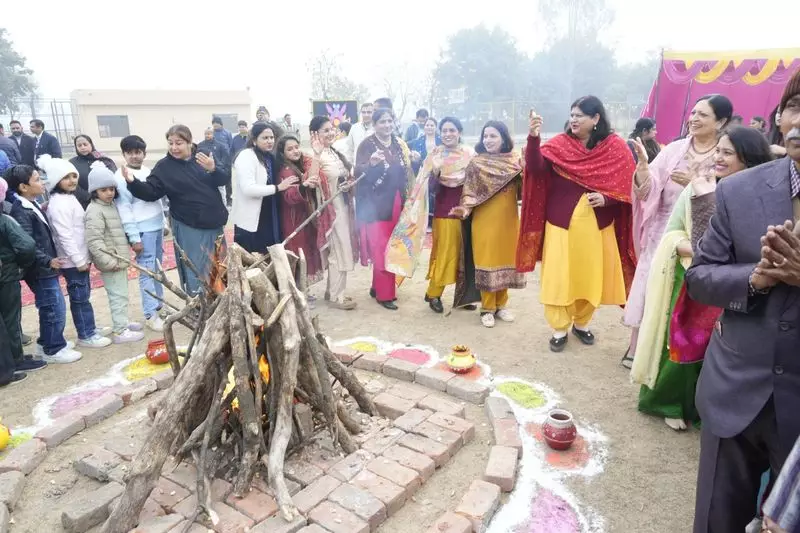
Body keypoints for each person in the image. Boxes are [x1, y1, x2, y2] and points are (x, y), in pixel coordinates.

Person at [686, 70, 800, 533]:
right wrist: (755, 277)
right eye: (795, 105)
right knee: (718, 520)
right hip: (735, 388)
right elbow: (700, 278)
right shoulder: (741, 189)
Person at [631, 126, 774, 431]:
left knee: (721, 352)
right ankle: (670, 402)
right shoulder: (699, 188)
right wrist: (690, 249)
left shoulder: (763, 195)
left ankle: (708, 409)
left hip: (742, 283)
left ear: (748, 159)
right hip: (693, 277)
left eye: (727, 153)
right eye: (717, 151)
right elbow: (674, 233)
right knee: (684, 344)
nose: (718, 158)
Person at [622, 94, 733, 368]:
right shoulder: (674, 150)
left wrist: (693, 186)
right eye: (693, 113)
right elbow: (648, 190)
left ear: (721, 121)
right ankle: (638, 348)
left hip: (702, 236)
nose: (694, 119)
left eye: (703, 115)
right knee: (651, 286)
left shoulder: (725, 154)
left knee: (683, 290)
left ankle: (676, 355)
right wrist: (643, 171)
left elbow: (731, 196)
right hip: (662, 229)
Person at [518, 98, 636, 349]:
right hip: (560, 225)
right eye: (572, 114)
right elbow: (536, 168)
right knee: (559, 278)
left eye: (581, 115)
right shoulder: (560, 144)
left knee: (589, 277)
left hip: (597, 226)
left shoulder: (614, 147)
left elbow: (627, 185)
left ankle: (582, 323)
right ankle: (559, 328)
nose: (574, 119)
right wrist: (533, 137)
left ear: (596, 119)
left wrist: (607, 199)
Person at [124, 125, 229, 296]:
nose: (174, 147)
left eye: (178, 143)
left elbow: (223, 179)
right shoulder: (165, 167)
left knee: (220, 264)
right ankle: (200, 305)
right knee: (197, 267)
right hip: (189, 224)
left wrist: (213, 168)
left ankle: (223, 300)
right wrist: (132, 182)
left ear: (189, 142)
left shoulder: (202, 157)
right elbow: (151, 191)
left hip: (214, 222)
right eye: (170, 143)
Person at [448, 120, 525, 327]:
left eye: (493, 136)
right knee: (487, 262)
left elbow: (523, 192)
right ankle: (487, 308)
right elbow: (470, 193)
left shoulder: (515, 161)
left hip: (509, 220)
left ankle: (501, 305)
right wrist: (463, 209)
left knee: (506, 261)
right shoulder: (477, 163)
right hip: (484, 221)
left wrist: (526, 171)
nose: (488, 140)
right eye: (485, 136)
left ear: (504, 138)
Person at [6, 165, 82, 364]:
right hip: (39, 269)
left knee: (52, 304)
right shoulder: (20, 210)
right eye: (37, 180)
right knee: (53, 307)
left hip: (44, 266)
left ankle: (46, 341)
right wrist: (47, 260)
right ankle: (53, 348)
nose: (43, 183)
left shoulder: (33, 203)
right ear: (23, 187)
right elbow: (27, 243)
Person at [39, 156, 112, 349]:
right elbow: (65, 236)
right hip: (73, 261)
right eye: (66, 177)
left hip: (80, 257)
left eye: (74, 176)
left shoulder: (68, 198)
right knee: (79, 298)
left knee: (84, 296)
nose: (72, 180)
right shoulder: (59, 204)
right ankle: (86, 334)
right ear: (56, 180)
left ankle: (90, 328)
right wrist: (79, 259)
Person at [355, 108, 415, 310]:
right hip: (376, 206)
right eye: (382, 122)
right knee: (381, 249)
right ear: (374, 124)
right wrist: (370, 165)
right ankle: (385, 294)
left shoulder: (399, 144)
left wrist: (413, 160)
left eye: (390, 121)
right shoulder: (366, 145)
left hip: (397, 201)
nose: (387, 125)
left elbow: (406, 170)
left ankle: (376, 286)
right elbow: (357, 173)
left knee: (393, 245)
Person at [85, 165, 145, 344]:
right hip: (111, 262)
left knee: (122, 293)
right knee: (117, 295)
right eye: (103, 190)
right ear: (94, 191)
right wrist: (109, 262)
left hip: (118, 259)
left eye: (111, 189)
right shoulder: (95, 210)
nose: (109, 193)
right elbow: (94, 241)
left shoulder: (109, 206)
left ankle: (123, 322)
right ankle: (120, 331)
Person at [421, 117, 474, 313]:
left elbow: (476, 184)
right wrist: (435, 172)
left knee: (465, 255)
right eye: (444, 130)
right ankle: (434, 293)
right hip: (445, 213)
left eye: (452, 130)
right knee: (446, 254)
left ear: (459, 132)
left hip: (468, 213)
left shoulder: (469, 154)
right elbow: (430, 190)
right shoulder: (435, 155)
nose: (447, 134)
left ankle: (462, 296)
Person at [115, 135, 166, 332]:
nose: (135, 156)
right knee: (147, 272)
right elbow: (124, 209)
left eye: (138, 152)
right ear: (124, 154)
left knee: (158, 269)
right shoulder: (120, 177)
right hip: (142, 230)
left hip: (156, 226)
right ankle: (150, 314)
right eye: (130, 153)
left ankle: (159, 305)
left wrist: (163, 222)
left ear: (144, 153)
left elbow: (156, 200)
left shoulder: (147, 171)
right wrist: (134, 237)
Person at [308, 116, 359, 310]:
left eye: (331, 129)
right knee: (339, 251)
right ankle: (337, 297)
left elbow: (342, 178)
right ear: (315, 134)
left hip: (343, 207)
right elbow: (312, 180)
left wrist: (349, 184)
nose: (330, 133)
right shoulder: (315, 156)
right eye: (325, 130)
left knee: (341, 250)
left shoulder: (334, 152)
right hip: (331, 212)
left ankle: (333, 292)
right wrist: (315, 154)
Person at [0, 176, 45, 385]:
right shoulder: (5, 220)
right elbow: (26, 245)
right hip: (6, 276)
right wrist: (21, 264)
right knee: (10, 319)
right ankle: (15, 360)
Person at [275, 133, 332, 287]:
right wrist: (304, 186)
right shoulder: (286, 171)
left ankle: (302, 289)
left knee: (305, 251)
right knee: (298, 252)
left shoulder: (300, 165)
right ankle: (299, 290)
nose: (295, 151)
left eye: (296, 147)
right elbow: (289, 196)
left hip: (302, 217)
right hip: (293, 220)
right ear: (282, 153)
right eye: (290, 149)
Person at [231, 121, 292, 253]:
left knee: (272, 254)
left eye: (271, 138)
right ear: (254, 140)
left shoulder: (270, 157)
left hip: (270, 212)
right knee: (253, 259)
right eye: (265, 138)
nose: (269, 141)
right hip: (253, 218)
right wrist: (277, 188)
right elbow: (248, 189)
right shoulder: (246, 156)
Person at [69, 134, 117, 209]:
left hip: (107, 201)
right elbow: (72, 183)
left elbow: (114, 178)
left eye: (85, 144)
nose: (83, 147)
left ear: (91, 144)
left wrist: (102, 194)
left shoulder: (104, 160)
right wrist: (88, 196)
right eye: (79, 145)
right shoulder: (72, 163)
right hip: (84, 203)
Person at [198, 127, 232, 207]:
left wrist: (219, 168)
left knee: (221, 193)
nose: (207, 135)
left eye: (209, 134)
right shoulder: (200, 145)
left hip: (218, 172)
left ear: (213, 134)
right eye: (206, 134)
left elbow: (224, 158)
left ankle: (224, 207)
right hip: (205, 174)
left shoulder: (220, 145)